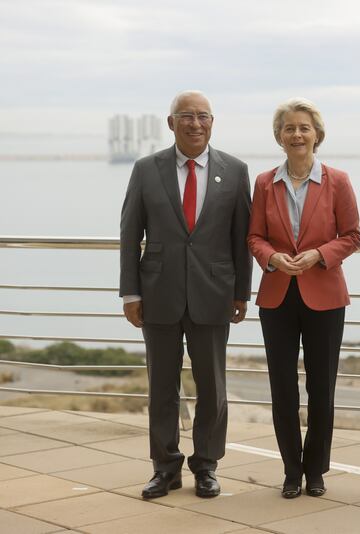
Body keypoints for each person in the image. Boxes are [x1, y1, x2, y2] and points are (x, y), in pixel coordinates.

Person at [120, 90, 252, 499]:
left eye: (203, 116)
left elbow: (241, 236)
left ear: (212, 122)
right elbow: (130, 232)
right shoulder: (146, 169)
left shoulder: (235, 170)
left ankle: (207, 466)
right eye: (187, 116)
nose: (196, 123)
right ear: (171, 122)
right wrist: (130, 293)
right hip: (157, 294)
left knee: (213, 386)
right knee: (162, 385)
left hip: (215, 292)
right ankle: (165, 468)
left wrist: (241, 292)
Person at [248, 98, 360, 499]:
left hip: (325, 296)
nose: (297, 134)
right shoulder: (264, 183)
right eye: (290, 128)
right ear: (280, 137)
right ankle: (291, 470)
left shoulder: (339, 181)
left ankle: (316, 470)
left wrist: (319, 255)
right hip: (277, 296)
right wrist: (272, 257)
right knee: (283, 388)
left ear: (317, 135)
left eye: (304, 128)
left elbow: (352, 236)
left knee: (321, 389)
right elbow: (254, 237)